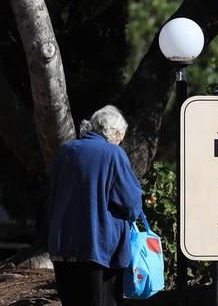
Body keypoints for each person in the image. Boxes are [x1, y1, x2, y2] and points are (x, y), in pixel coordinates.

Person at [48, 105, 142, 306]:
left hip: (62, 246)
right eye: (121, 137)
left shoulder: (66, 151)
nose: (121, 142)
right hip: (98, 249)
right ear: (114, 133)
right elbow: (131, 204)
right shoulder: (113, 154)